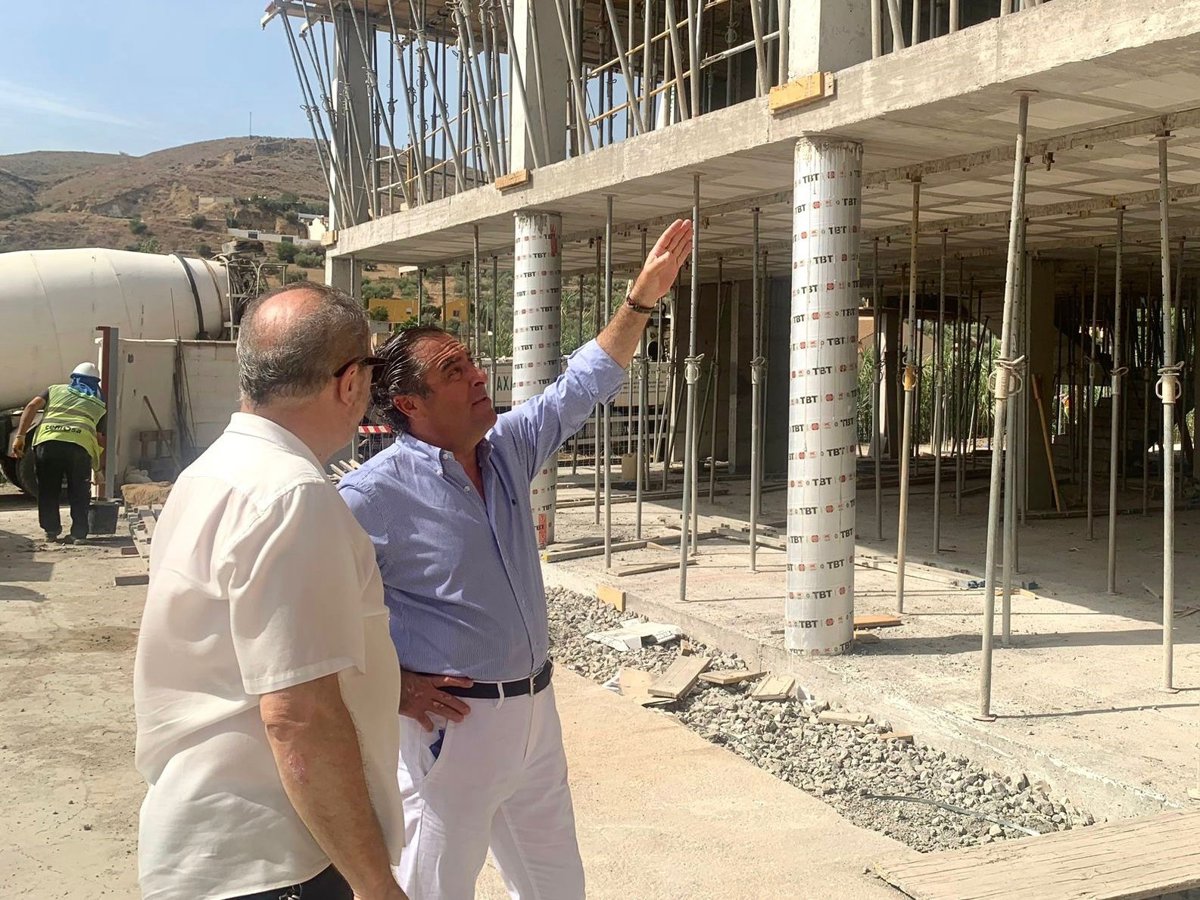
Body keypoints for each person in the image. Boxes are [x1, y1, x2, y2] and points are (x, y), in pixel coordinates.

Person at [338, 219, 693, 899]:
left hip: (534, 717)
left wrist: (641, 300)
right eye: (455, 371)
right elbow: (318, 618)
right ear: (409, 404)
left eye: (471, 362)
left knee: (557, 888)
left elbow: (581, 384)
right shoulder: (369, 498)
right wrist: (392, 685)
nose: (478, 376)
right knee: (433, 890)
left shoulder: (505, 450)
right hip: (454, 731)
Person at [133, 283, 408, 900]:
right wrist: (375, 884)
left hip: (216, 844)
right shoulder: (292, 495)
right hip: (275, 859)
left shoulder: (210, 472)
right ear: (350, 384)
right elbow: (299, 714)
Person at [11, 362, 107, 544]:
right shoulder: (98, 404)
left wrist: (20, 436)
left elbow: (31, 406)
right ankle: (79, 534)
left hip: (48, 444)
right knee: (79, 492)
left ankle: (51, 531)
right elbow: (100, 439)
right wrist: (98, 469)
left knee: (47, 489)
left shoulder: (54, 390)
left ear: (73, 378)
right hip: (79, 449)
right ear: (96, 382)